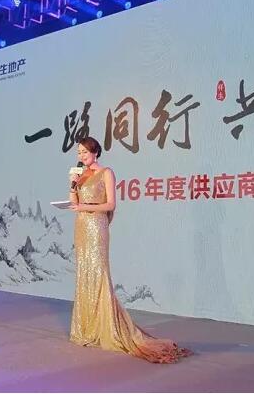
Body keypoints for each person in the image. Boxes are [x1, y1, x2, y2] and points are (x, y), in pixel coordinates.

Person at [67, 136, 191, 363]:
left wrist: (84, 206)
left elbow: (111, 204)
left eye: (85, 152)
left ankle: (107, 326)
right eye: (79, 152)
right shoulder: (80, 175)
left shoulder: (106, 173)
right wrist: (73, 184)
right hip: (82, 226)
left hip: (96, 226)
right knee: (84, 273)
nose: (81, 156)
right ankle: (87, 327)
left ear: (95, 152)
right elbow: (73, 202)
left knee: (99, 273)